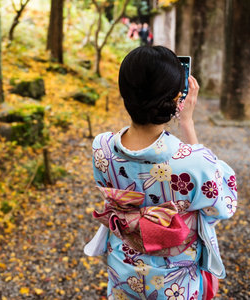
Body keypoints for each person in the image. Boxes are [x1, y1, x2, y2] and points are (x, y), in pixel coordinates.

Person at [84, 46, 238, 300]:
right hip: (174, 280)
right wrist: (187, 123)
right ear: (178, 99)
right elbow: (222, 205)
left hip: (124, 267)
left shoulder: (101, 146)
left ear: (125, 93)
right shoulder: (194, 161)